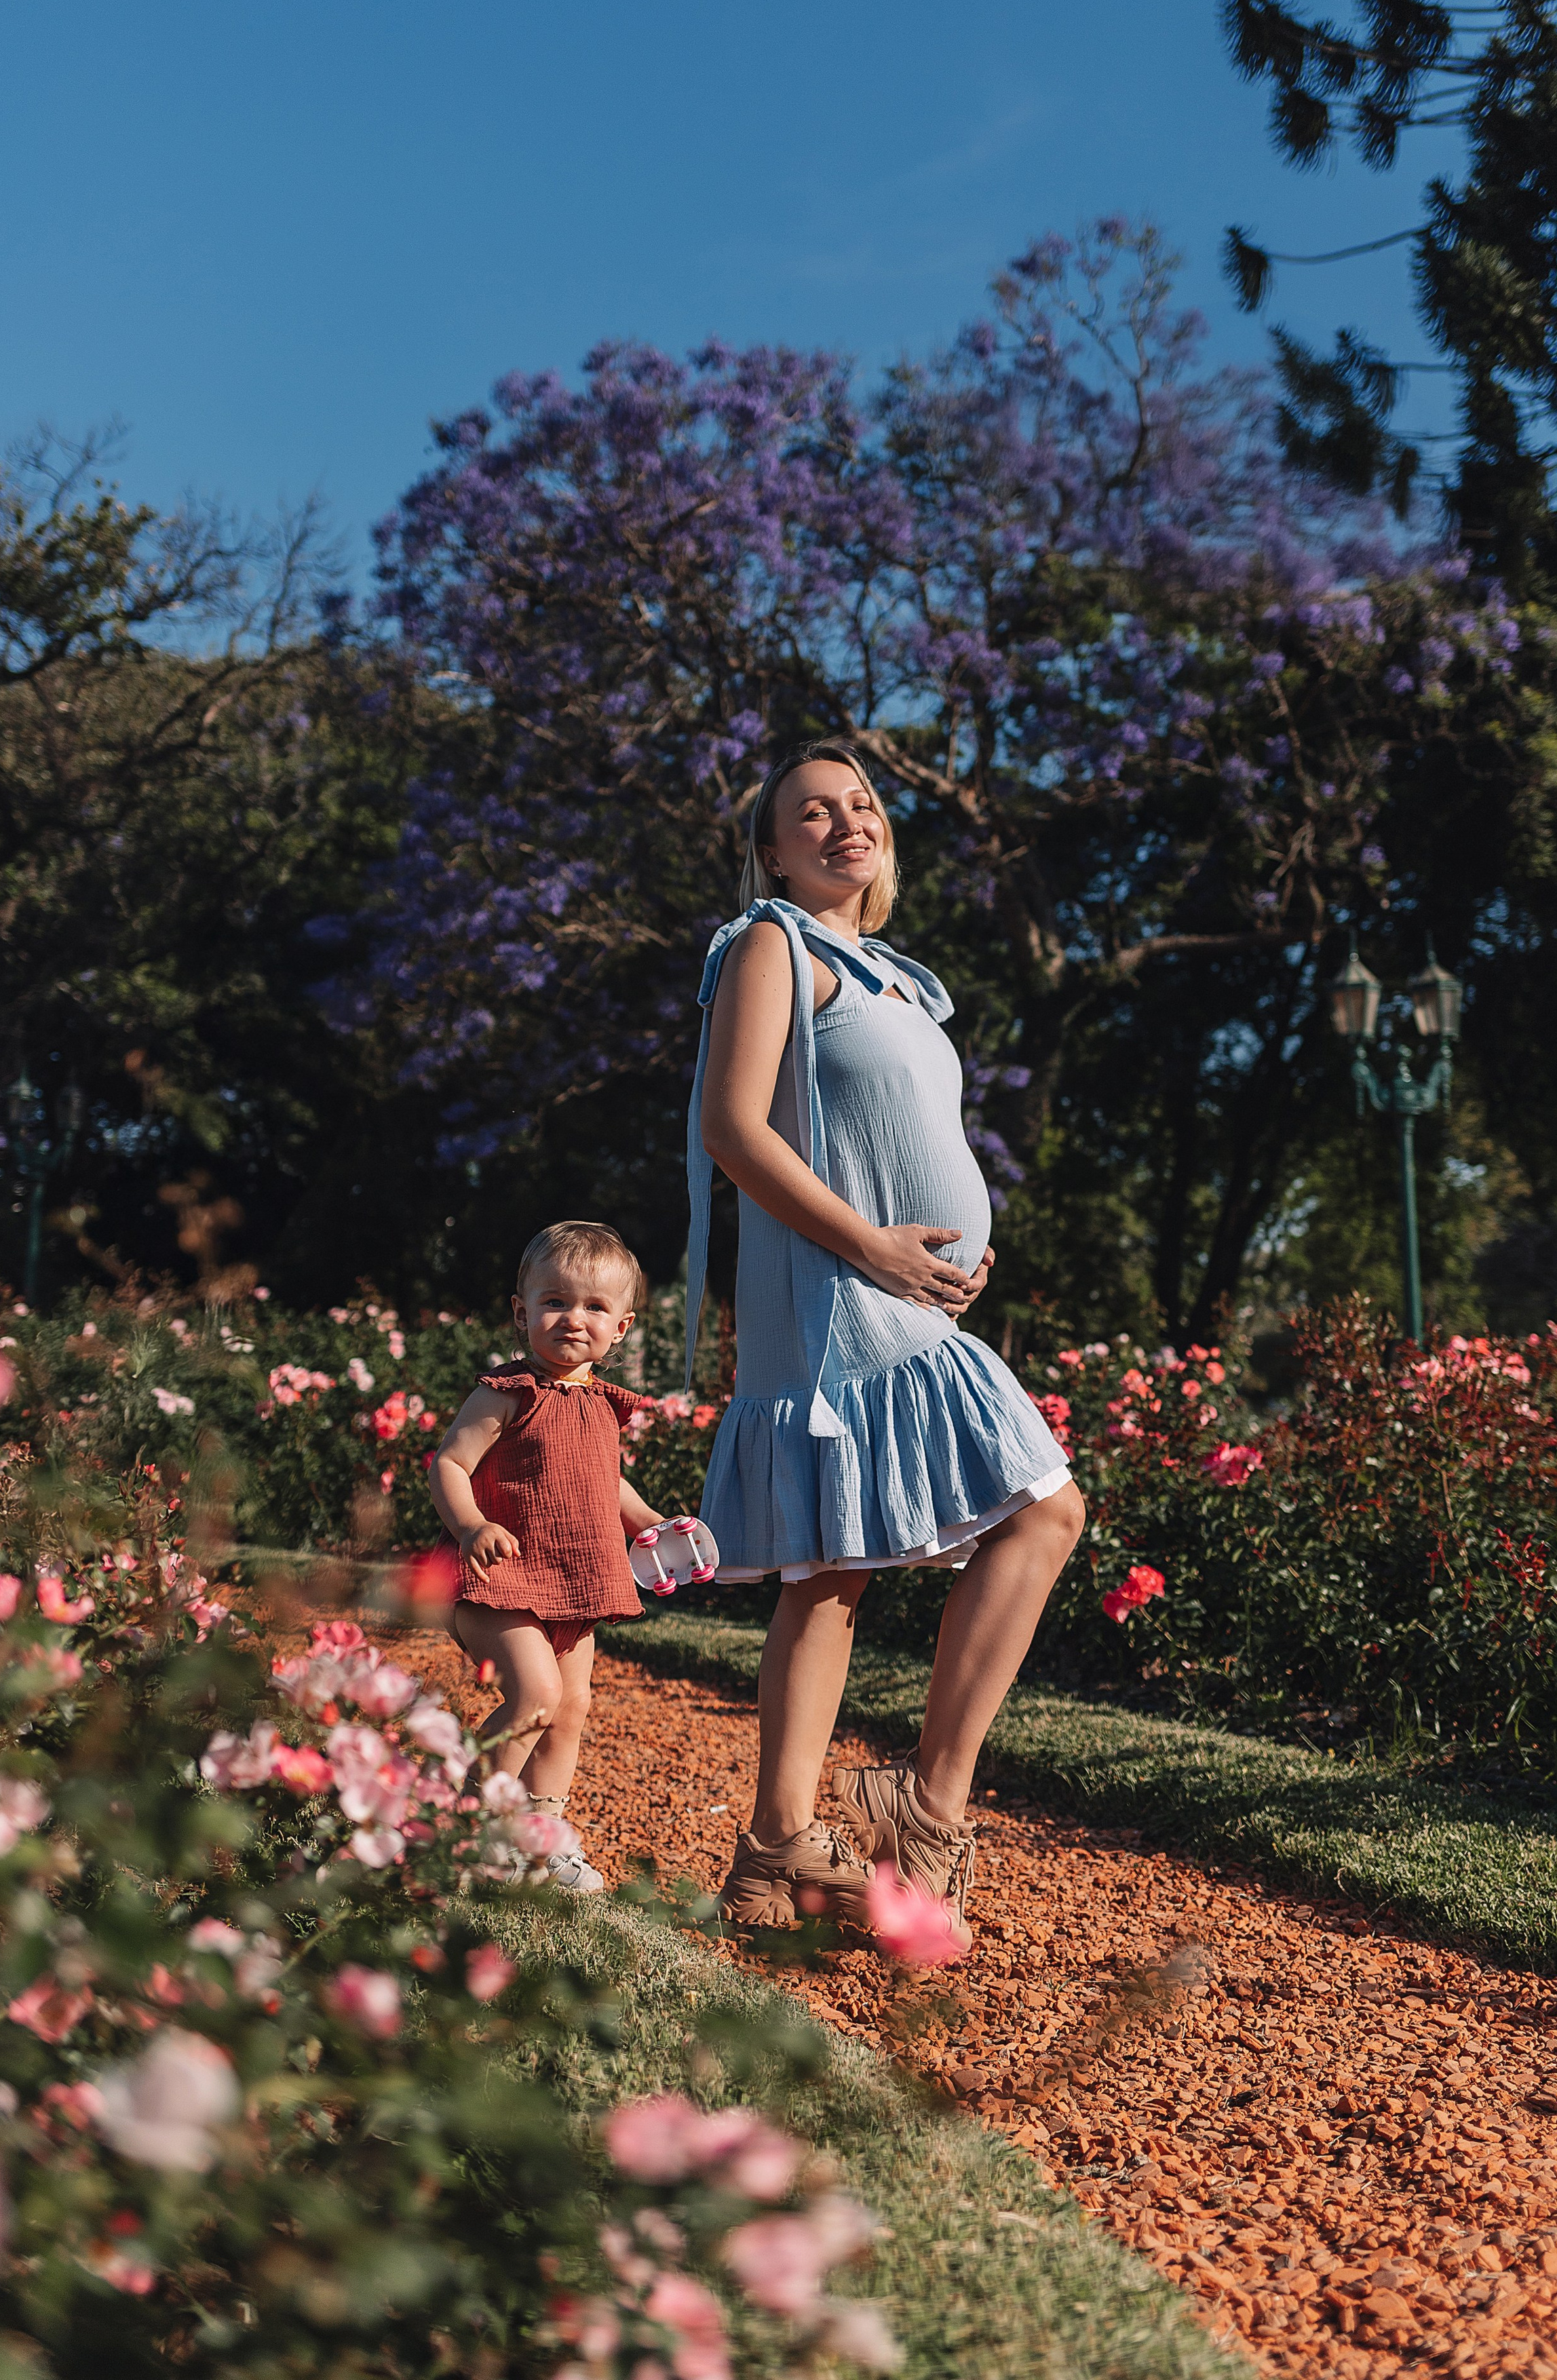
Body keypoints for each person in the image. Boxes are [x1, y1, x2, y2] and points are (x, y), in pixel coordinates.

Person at [687, 740, 1085, 1933]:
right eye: (811, 812)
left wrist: (963, 1237)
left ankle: (782, 1855)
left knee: (847, 1567)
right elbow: (731, 1127)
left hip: (910, 1296)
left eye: (861, 803)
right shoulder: (773, 944)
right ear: (771, 848)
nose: (843, 822)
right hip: (841, 1299)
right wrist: (873, 1246)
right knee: (956, 1534)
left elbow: (907, 1131)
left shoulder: (894, 976)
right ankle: (904, 1824)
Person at [428, 1219, 658, 1893]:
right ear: (521, 1311)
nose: (573, 1318)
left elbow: (602, 1479)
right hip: (499, 1577)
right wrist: (470, 1526)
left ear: (621, 1329)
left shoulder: (603, 1405)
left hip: (577, 1580)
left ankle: (542, 1838)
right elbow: (449, 1462)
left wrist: (649, 1521)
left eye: (595, 1307)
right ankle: (470, 1823)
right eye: (555, 1302)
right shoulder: (506, 1393)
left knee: (570, 1707)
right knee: (534, 1697)